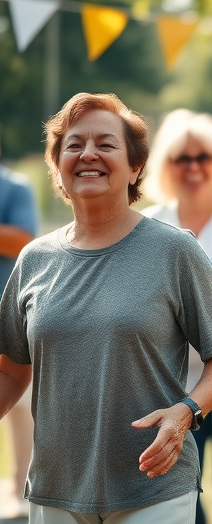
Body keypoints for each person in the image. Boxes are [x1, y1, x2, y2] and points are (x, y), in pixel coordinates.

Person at [0, 92, 212, 522]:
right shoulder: (33, 260)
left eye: (105, 144)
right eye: (73, 145)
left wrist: (187, 411)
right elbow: (11, 370)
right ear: (57, 166)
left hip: (153, 486)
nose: (88, 154)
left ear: (135, 167)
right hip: (55, 489)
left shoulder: (175, 250)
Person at [140, 108, 212, 524]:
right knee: (182, 488)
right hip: (170, 384)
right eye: (181, 158)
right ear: (164, 165)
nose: (194, 167)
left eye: (204, 156)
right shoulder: (149, 223)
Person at [0, 139, 37, 521]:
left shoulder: (14, 187)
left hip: (7, 312)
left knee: (19, 402)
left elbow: (22, 240)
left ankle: (20, 488)